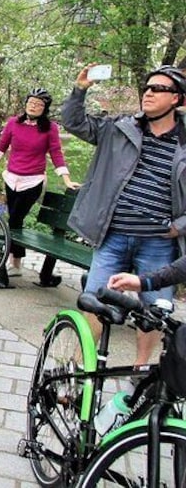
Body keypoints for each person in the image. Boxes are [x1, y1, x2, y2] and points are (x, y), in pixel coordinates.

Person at [63, 63, 186, 367]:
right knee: (94, 299)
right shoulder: (119, 127)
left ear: (177, 99)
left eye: (159, 89)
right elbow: (74, 122)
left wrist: (179, 226)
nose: (149, 93)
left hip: (158, 244)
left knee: (154, 308)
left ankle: (140, 370)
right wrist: (80, 89)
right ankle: (81, 368)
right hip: (113, 236)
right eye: (147, 87)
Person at [0, 88, 80, 283]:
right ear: (26, 103)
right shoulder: (13, 123)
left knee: (15, 219)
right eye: (31, 102)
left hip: (32, 181)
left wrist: (66, 179)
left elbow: (56, 153)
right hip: (11, 179)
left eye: (39, 104)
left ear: (45, 109)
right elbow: (0, 147)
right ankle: (16, 264)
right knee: (14, 220)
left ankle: (12, 265)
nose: (34, 106)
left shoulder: (50, 128)